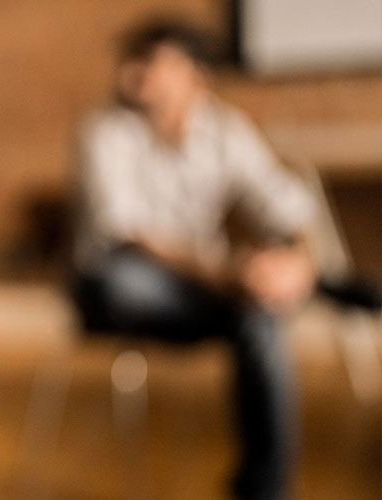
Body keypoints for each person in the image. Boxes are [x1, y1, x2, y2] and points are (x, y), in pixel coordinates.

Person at [72, 19, 317, 500]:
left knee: (261, 313)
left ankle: (264, 488)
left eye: (150, 63)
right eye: (130, 60)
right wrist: (225, 275)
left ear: (195, 76)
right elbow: (129, 233)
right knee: (123, 279)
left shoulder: (225, 131)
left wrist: (297, 266)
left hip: (202, 288)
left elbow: (290, 207)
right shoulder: (104, 130)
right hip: (121, 283)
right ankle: (246, 296)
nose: (131, 74)